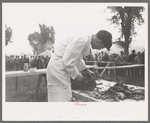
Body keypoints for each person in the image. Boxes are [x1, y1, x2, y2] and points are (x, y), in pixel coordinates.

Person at [46, 30, 112, 102]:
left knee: (61, 98)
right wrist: (78, 77)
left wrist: (85, 70)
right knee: (62, 100)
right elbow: (67, 61)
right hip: (58, 70)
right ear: (99, 42)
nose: (99, 49)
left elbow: (77, 57)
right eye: (101, 47)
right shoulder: (82, 39)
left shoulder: (84, 38)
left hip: (60, 68)